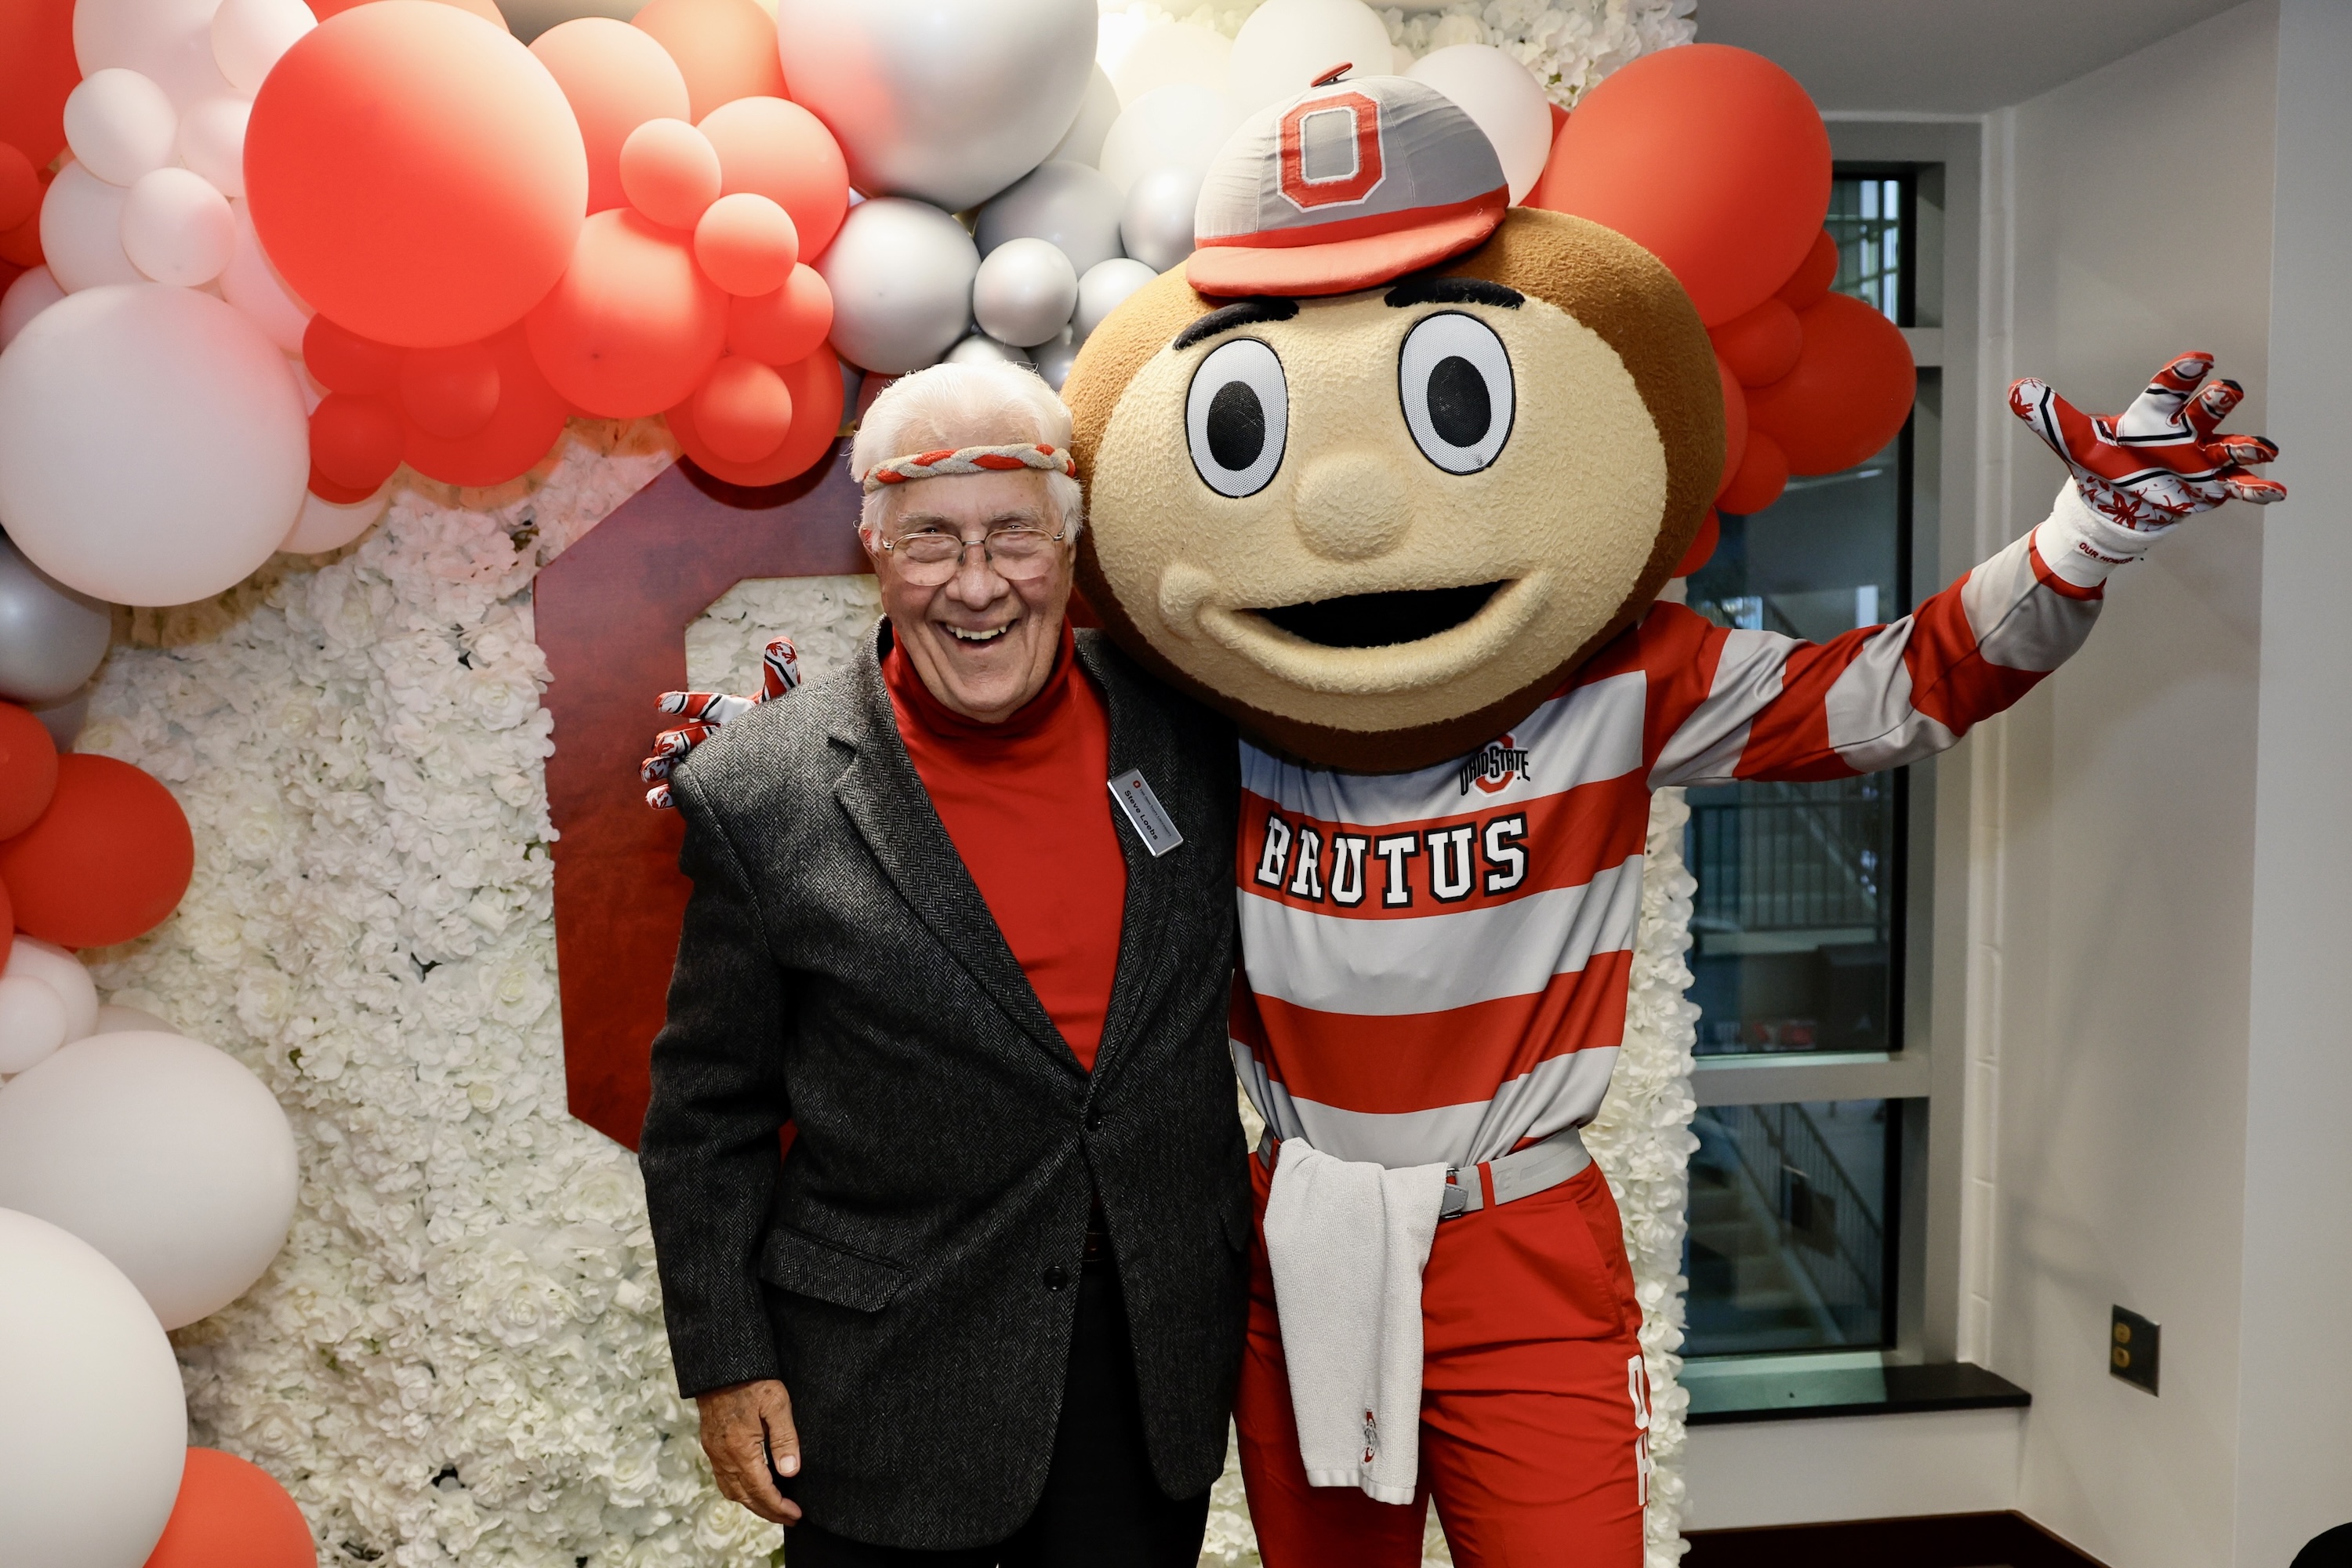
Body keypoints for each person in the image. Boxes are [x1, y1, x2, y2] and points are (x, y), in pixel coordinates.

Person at [637, 361, 1249, 1567]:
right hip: (885, 1388)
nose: (977, 584)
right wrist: (728, 1359)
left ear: (1070, 550)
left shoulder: (1193, 729)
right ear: (876, 551)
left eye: (1013, 534)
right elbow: (705, 1112)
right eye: (931, 540)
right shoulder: (760, 791)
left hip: (1150, 1366)